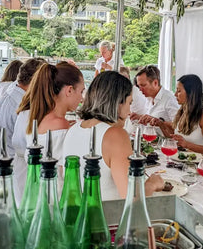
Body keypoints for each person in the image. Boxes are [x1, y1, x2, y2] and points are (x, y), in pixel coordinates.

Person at [62, 71, 164, 200]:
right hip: (106, 216)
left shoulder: (74, 128)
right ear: (118, 102)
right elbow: (131, 199)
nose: (129, 112)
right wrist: (152, 184)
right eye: (129, 103)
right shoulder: (115, 136)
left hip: (78, 214)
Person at [12, 61, 84, 204]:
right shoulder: (60, 125)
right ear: (69, 90)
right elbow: (67, 174)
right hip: (55, 201)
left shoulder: (37, 117)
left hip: (37, 196)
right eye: (81, 91)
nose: (82, 98)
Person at [151, 74, 203, 153]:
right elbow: (175, 141)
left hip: (197, 163)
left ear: (190, 93)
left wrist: (187, 145)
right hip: (180, 161)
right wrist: (161, 125)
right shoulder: (182, 112)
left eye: (179, 91)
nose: (175, 94)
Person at [0, 57, 46, 156]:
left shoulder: (12, 89)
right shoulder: (23, 105)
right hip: (16, 157)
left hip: (4, 150)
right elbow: (27, 143)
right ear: (36, 80)